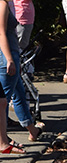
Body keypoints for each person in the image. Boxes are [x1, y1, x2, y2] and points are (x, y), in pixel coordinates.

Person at [0, 0, 42, 142]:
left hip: (12, 55)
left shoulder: (7, 4)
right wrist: (9, 59)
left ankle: (32, 130)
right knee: (4, 100)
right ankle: (3, 139)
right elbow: (1, 34)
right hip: (7, 57)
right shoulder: (2, 5)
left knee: (19, 93)